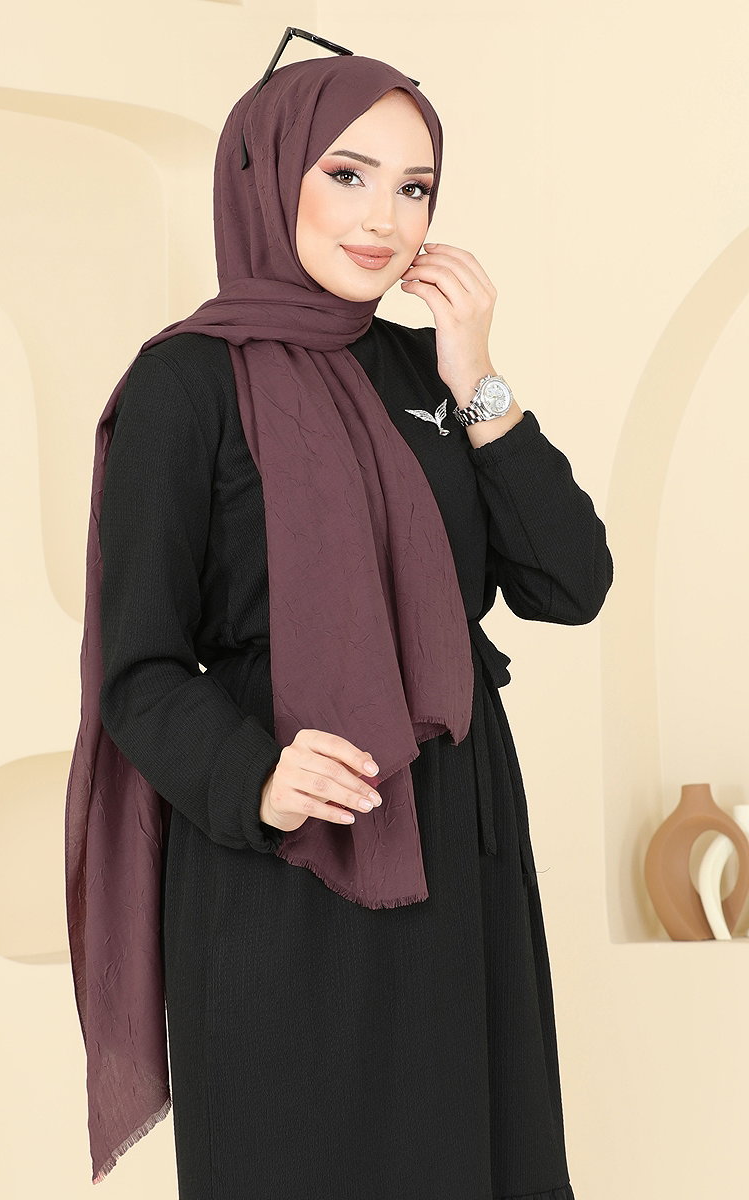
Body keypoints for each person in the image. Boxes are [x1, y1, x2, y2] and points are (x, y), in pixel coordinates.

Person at [65, 47, 613, 1200]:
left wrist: (476, 375)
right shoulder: (185, 384)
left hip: (456, 839)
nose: (383, 220)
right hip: (287, 857)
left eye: (414, 188)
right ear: (267, 174)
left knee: (472, 1161)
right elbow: (139, 667)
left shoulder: (429, 372)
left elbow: (568, 582)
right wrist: (254, 778)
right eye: (348, 175)